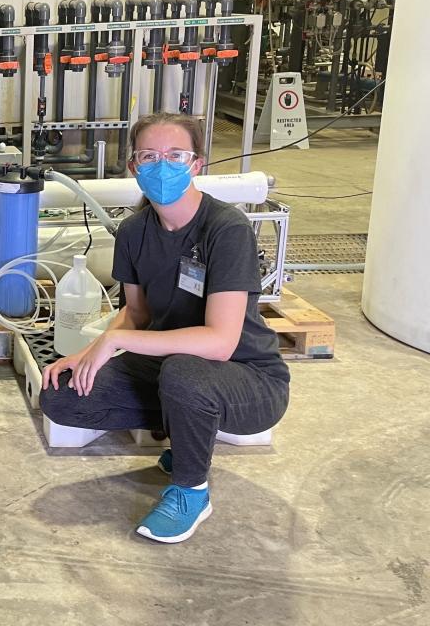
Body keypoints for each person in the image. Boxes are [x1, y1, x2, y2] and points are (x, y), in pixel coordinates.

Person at [39, 112, 289, 543]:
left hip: (247, 378)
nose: (162, 165)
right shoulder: (134, 231)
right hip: (172, 366)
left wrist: (116, 340)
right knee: (62, 395)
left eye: (175, 155)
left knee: (184, 374)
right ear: (135, 166)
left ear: (197, 164)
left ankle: (191, 490)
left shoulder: (225, 229)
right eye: (150, 156)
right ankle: (189, 429)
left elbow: (221, 341)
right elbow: (135, 313)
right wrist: (87, 352)